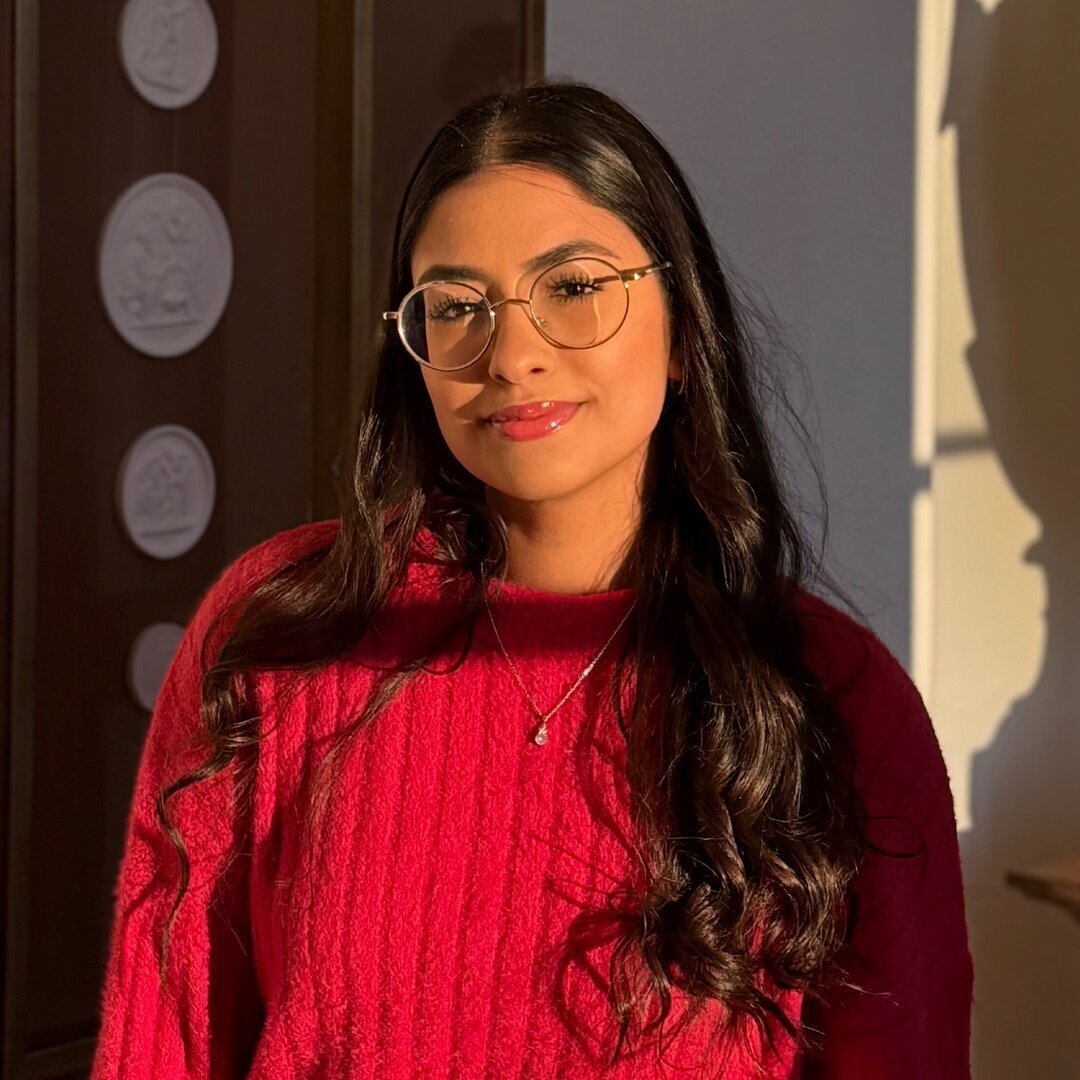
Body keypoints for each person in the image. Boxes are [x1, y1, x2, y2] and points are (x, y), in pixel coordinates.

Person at [90, 80, 974, 1079]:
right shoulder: (282, 631)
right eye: (457, 307)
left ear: (684, 333)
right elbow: (161, 1038)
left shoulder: (831, 697)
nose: (511, 356)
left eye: (575, 288)